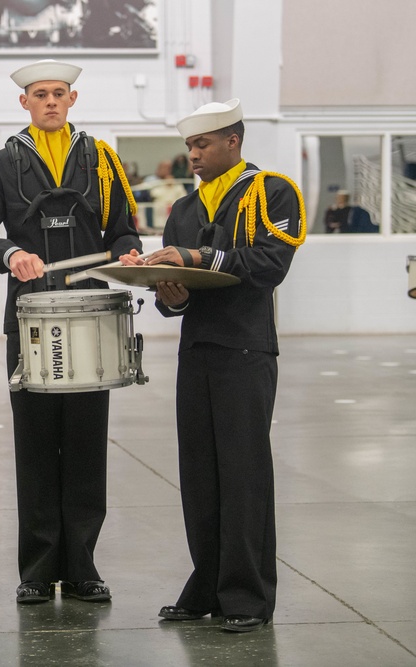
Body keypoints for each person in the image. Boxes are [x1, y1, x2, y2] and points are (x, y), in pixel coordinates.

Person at [0, 59, 142, 605]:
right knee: (37, 444)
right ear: (24, 103)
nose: (50, 102)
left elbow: (123, 229)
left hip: (91, 313)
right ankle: (38, 570)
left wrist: (127, 251)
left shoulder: (103, 161)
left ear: (72, 99)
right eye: (40, 94)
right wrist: (11, 252)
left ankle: (83, 566)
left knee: (87, 444)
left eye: (59, 93)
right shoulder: (0, 165)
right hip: (32, 315)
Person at [123, 99, 306, 633]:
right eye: (188, 146)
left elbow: (271, 263)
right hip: (197, 350)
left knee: (243, 475)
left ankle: (247, 597)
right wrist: (172, 293)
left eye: (202, 144)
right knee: (200, 475)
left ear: (233, 140)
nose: (193, 155)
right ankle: (206, 586)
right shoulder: (184, 209)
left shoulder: (271, 190)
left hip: (245, 352)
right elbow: (169, 301)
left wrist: (197, 259)